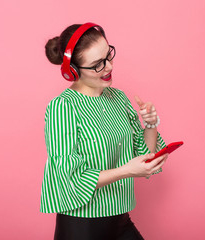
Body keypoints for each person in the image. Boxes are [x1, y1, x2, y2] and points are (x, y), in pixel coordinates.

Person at [40, 22, 169, 240]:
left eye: (108, 55)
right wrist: (126, 171)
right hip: (82, 225)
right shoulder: (63, 108)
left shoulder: (118, 97)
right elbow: (69, 178)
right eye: (97, 64)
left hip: (119, 217)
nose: (108, 67)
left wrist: (150, 124)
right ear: (73, 71)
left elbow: (144, 154)